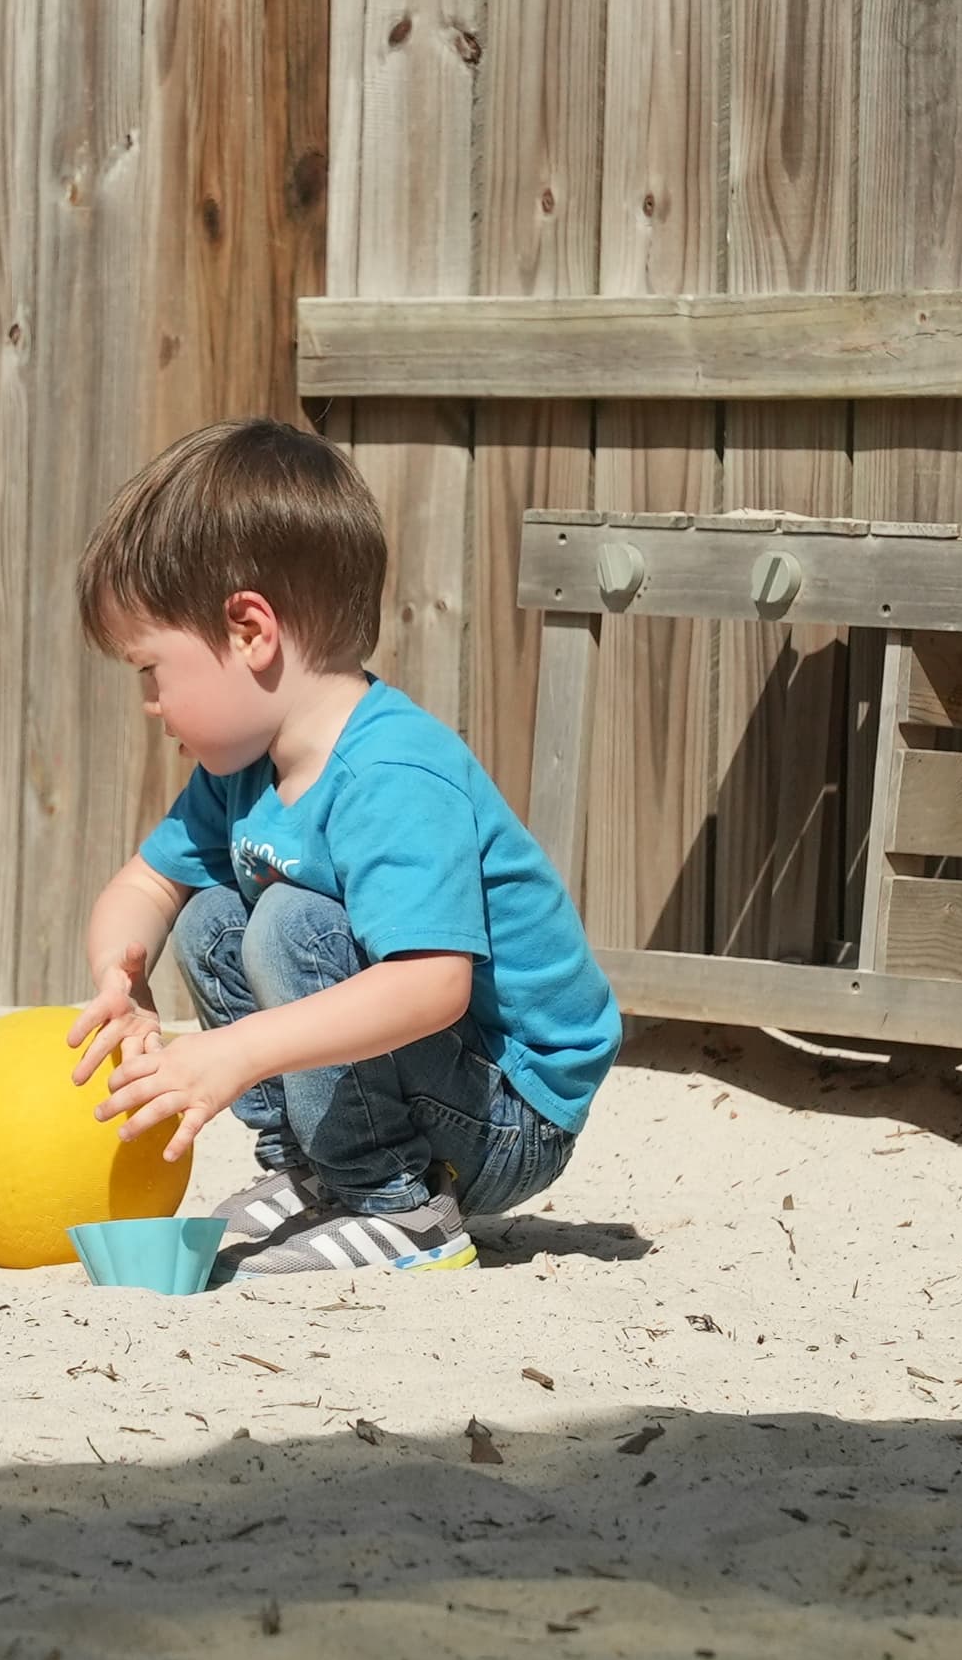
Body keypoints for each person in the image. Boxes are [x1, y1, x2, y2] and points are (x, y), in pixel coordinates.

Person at [68, 419, 619, 1278]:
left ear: (251, 630)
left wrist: (238, 1051)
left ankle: (395, 1208)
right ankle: (315, 1168)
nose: (150, 702)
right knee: (211, 912)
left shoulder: (392, 774)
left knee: (288, 921)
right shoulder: (243, 773)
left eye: (151, 669)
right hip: (428, 1076)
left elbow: (434, 986)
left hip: (509, 1105)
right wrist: (119, 973)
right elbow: (144, 883)